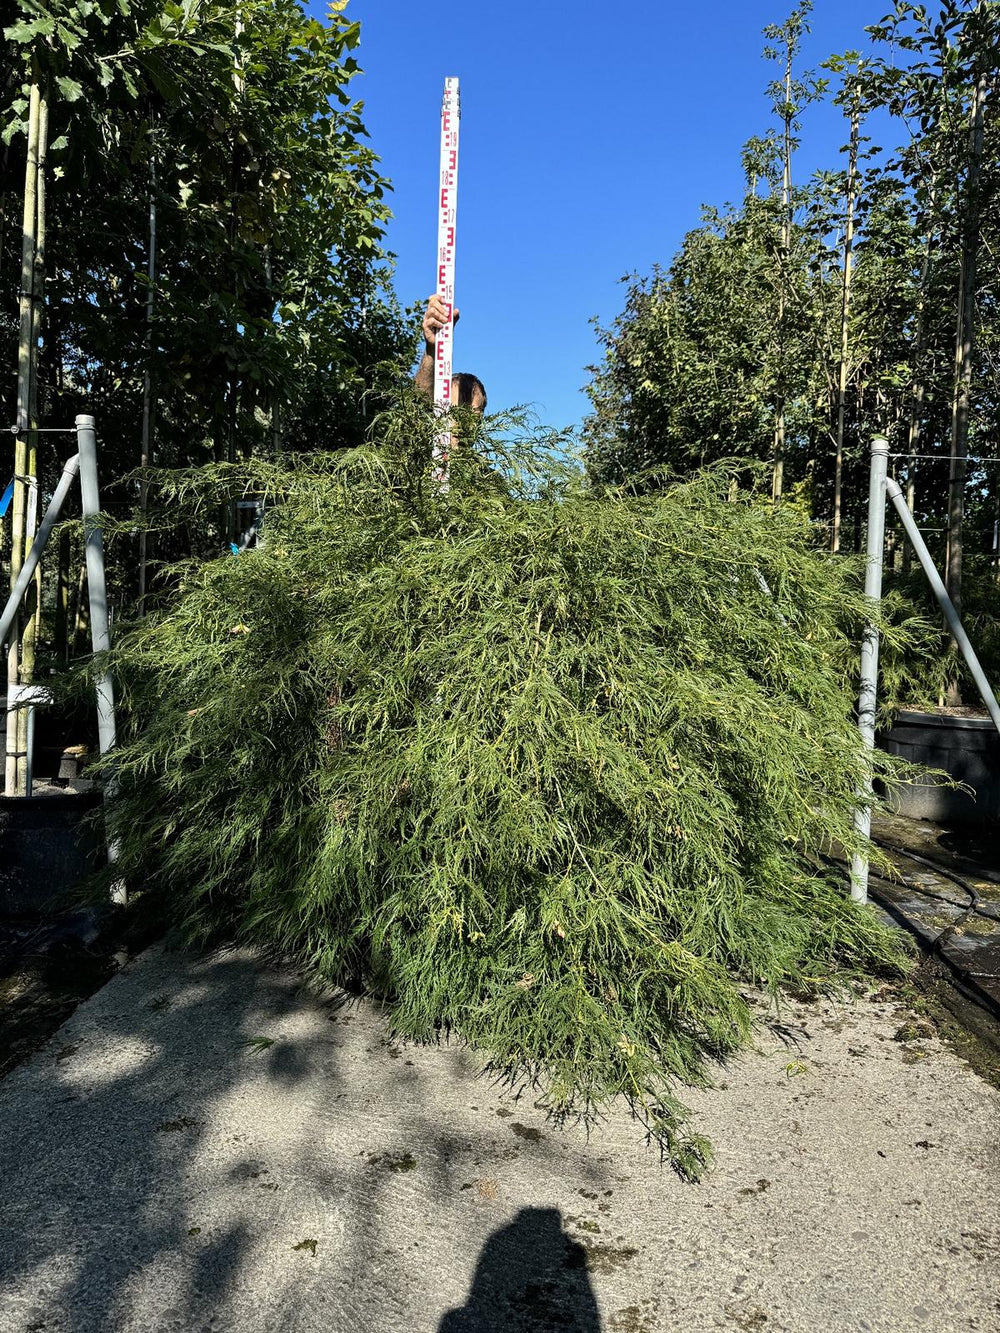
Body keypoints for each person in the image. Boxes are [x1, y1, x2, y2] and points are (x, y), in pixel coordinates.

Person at [414, 295, 488, 413]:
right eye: (456, 411)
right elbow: (418, 406)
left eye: (472, 413)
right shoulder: (432, 428)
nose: (463, 423)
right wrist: (432, 350)